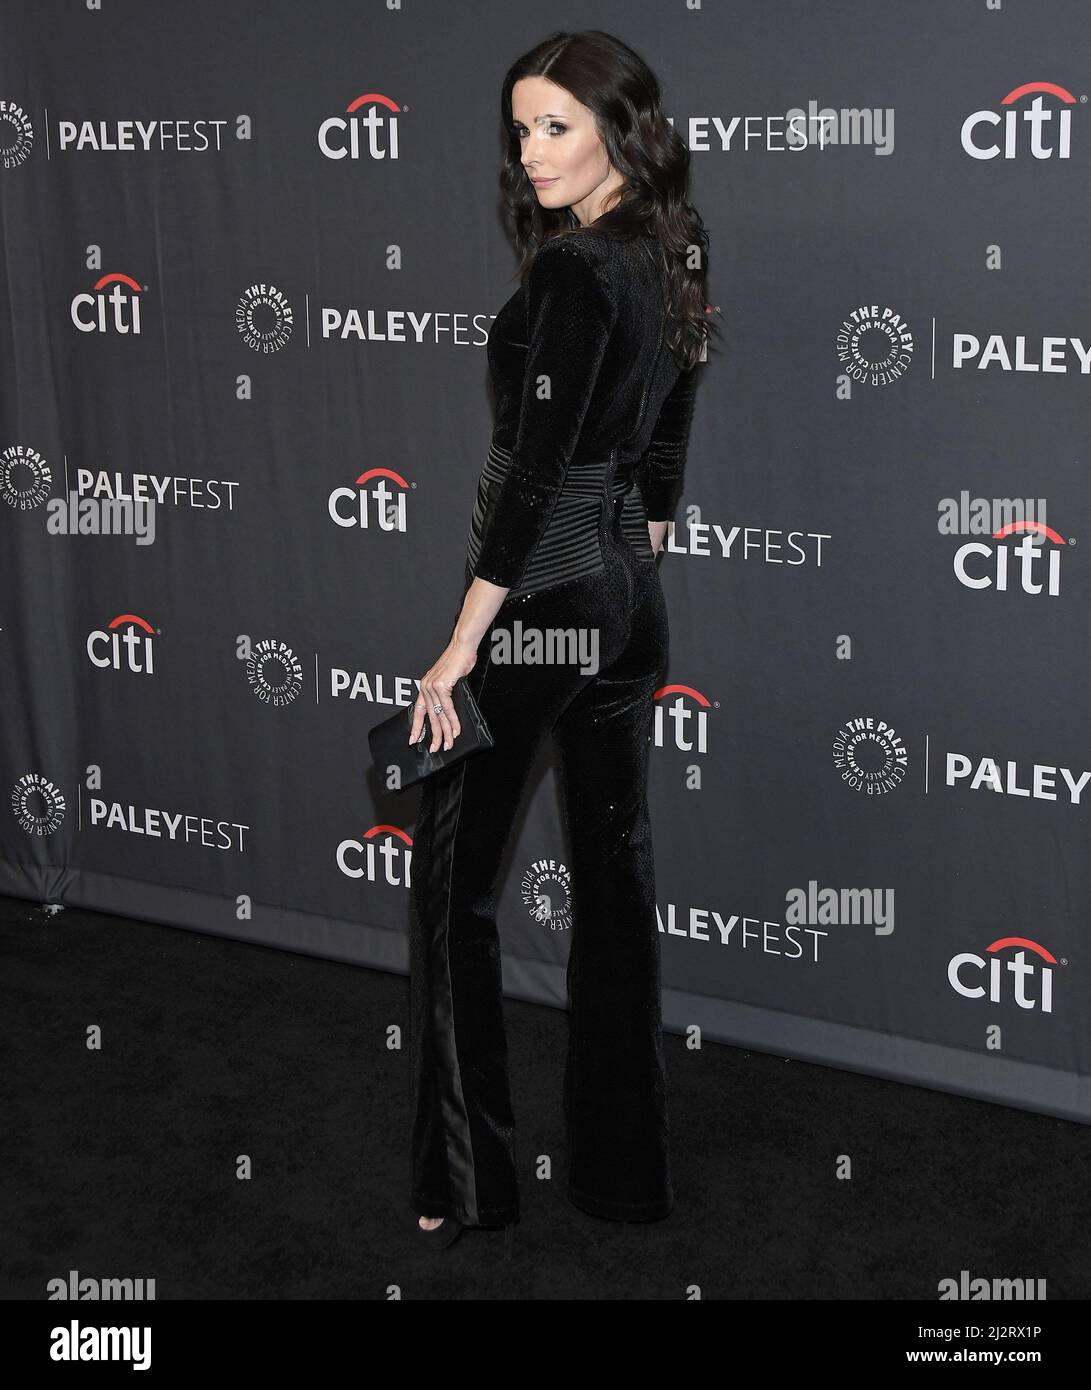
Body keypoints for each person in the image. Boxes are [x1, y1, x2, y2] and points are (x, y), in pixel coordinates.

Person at [405, 29, 713, 1251]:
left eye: (555, 128)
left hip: (544, 601)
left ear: (618, 130)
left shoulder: (575, 274)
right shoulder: (676, 239)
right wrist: (635, 552)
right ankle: (623, 1174)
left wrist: (458, 647)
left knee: (450, 890)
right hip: (626, 599)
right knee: (615, 875)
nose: (529, 153)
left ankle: (467, 1180)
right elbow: (670, 417)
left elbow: (535, 476)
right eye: (520, 128)